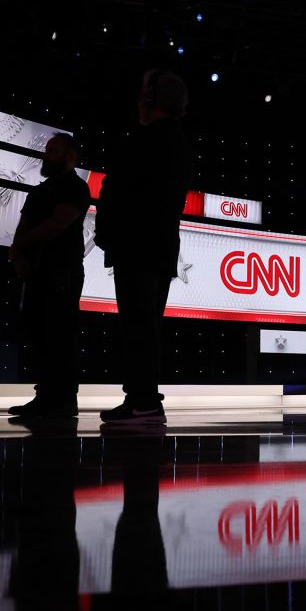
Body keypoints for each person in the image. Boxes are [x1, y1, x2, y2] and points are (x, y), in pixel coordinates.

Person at [93, 69, 194, 425]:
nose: (138, 101)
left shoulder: (153, 139)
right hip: (151, 246)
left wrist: (110, 231)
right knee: (142, 326)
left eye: (143, 94)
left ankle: (143, 399)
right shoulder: (172, 141)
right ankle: (142, 398)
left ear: (154, 100)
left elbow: (128, 192)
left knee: (139, 326)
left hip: (140, 246)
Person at [8, 133, 91, 420]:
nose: (47, 155)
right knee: (40, 332)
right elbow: (25, 225)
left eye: (53, 151)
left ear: (71, 157)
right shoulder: (39, 192)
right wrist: (18, 254)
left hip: (62, 270)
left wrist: (23, 245)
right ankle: (46, 396)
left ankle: (63, 399)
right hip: (38, 271)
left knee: (60, 334)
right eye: (47, 150)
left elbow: (57, 224)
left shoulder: (76, 188)